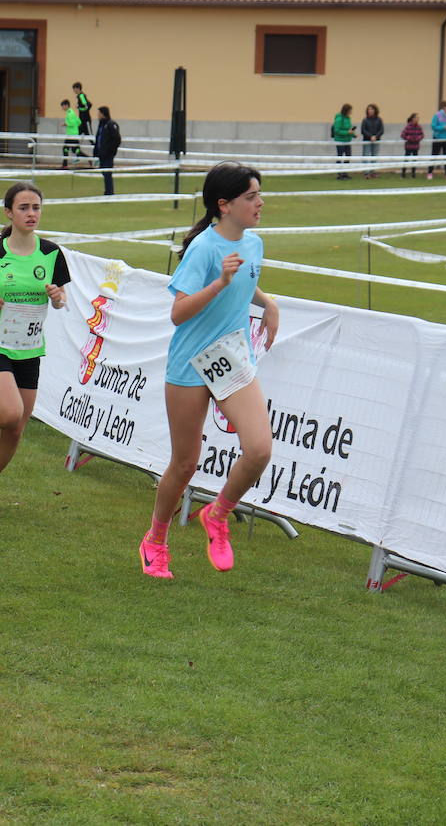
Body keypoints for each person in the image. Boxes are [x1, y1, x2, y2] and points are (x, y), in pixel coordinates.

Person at [140, 162, 278, 579]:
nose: (260, 202)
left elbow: (244, 280)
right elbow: (179, 313)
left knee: (259, 450)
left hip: (232, 360)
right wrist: (217, 283)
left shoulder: (254, 244)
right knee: (184, 464)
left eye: (259, 194)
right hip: (189, 363)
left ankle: (217, 515)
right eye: (251, 196)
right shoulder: (202, 248)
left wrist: (267, 303)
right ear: (225, 204)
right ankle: (155, 540)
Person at [0, 182, 70, 510]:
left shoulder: (51, 253)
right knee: (8, 412)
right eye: (24, 208)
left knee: (16, 427)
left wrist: (59, 298)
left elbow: (60, 302)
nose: (31, 214)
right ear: (9, 212)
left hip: (30, 347)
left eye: (36, 207)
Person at [94, 106, 120, 195]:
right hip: (101, 154)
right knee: (104, 172)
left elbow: (117, 139)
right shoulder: (101, 125)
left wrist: (110, 151)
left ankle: (109, 192)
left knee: (107, 173)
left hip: (108, 155)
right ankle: (107, 190)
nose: (97, 115)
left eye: (99, 113)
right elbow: (98, 138)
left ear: (102, 114)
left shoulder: (111, 124)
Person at [427, 101, 446, 180]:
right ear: (444, 107)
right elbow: (433, 126)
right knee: (434, 155)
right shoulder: (437, 115)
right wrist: (443, 127)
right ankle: (430, 173)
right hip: (437, 138)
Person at [331, 103, 356, 179]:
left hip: (347, 140)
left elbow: (348, 129)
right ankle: (339, 173)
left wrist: (353, 134)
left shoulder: (348, 118)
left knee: (348, 156)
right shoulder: (339, 118)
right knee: (340, 156)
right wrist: (347, 132)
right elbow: (337, 130)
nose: (351, 112)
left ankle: (345, 172)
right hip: (340, 140)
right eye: (350, 110)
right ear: (346, 110)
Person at [359, 104, 383, 179]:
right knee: (366, 155)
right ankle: (366, 173)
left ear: (375, 110)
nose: (370, 111)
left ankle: (373, 172)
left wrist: (376, 136)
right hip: (367, 140)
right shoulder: (365, 120)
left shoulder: (379, 120)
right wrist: (370, 136)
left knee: (374, 156)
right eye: (369, 109)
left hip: (376, 140)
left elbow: (381, 130)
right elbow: (363, 130)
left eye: (372, 109)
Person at [400, 113, 424, 177]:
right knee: (406, 160)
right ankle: (403, 173)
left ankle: (413, 173)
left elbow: (422, 135)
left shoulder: (419, 127)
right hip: (408, 146)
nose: (417, 119)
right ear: (413, 118)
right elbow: (402, 135)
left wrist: (418, 138)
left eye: (418, 118)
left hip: (416, 146)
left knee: (414, 160)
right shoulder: (408, 126)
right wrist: (410, 138)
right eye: (416, 118)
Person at [61, 99, 81, 169]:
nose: (62, 108)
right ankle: (88, 159)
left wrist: (65, 124)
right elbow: (79, 122)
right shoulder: (72, 112)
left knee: (65, 148)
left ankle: (65, 164)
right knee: (73, 149)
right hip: (73, 133)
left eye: (63, 106)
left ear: (66, 105)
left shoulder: (70, 113)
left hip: (71, 134)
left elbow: (72, 123)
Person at [72, 82, 92, 150]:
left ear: (78, 88)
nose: (73, 91)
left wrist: (79, 107)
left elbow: (86, 107)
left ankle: (98, 155)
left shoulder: (81, 96)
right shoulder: (79, 96)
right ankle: (78, 153)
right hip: (81, 121)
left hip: (86, 121)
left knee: (90, 138)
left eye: (74, 89)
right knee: (76, 136)